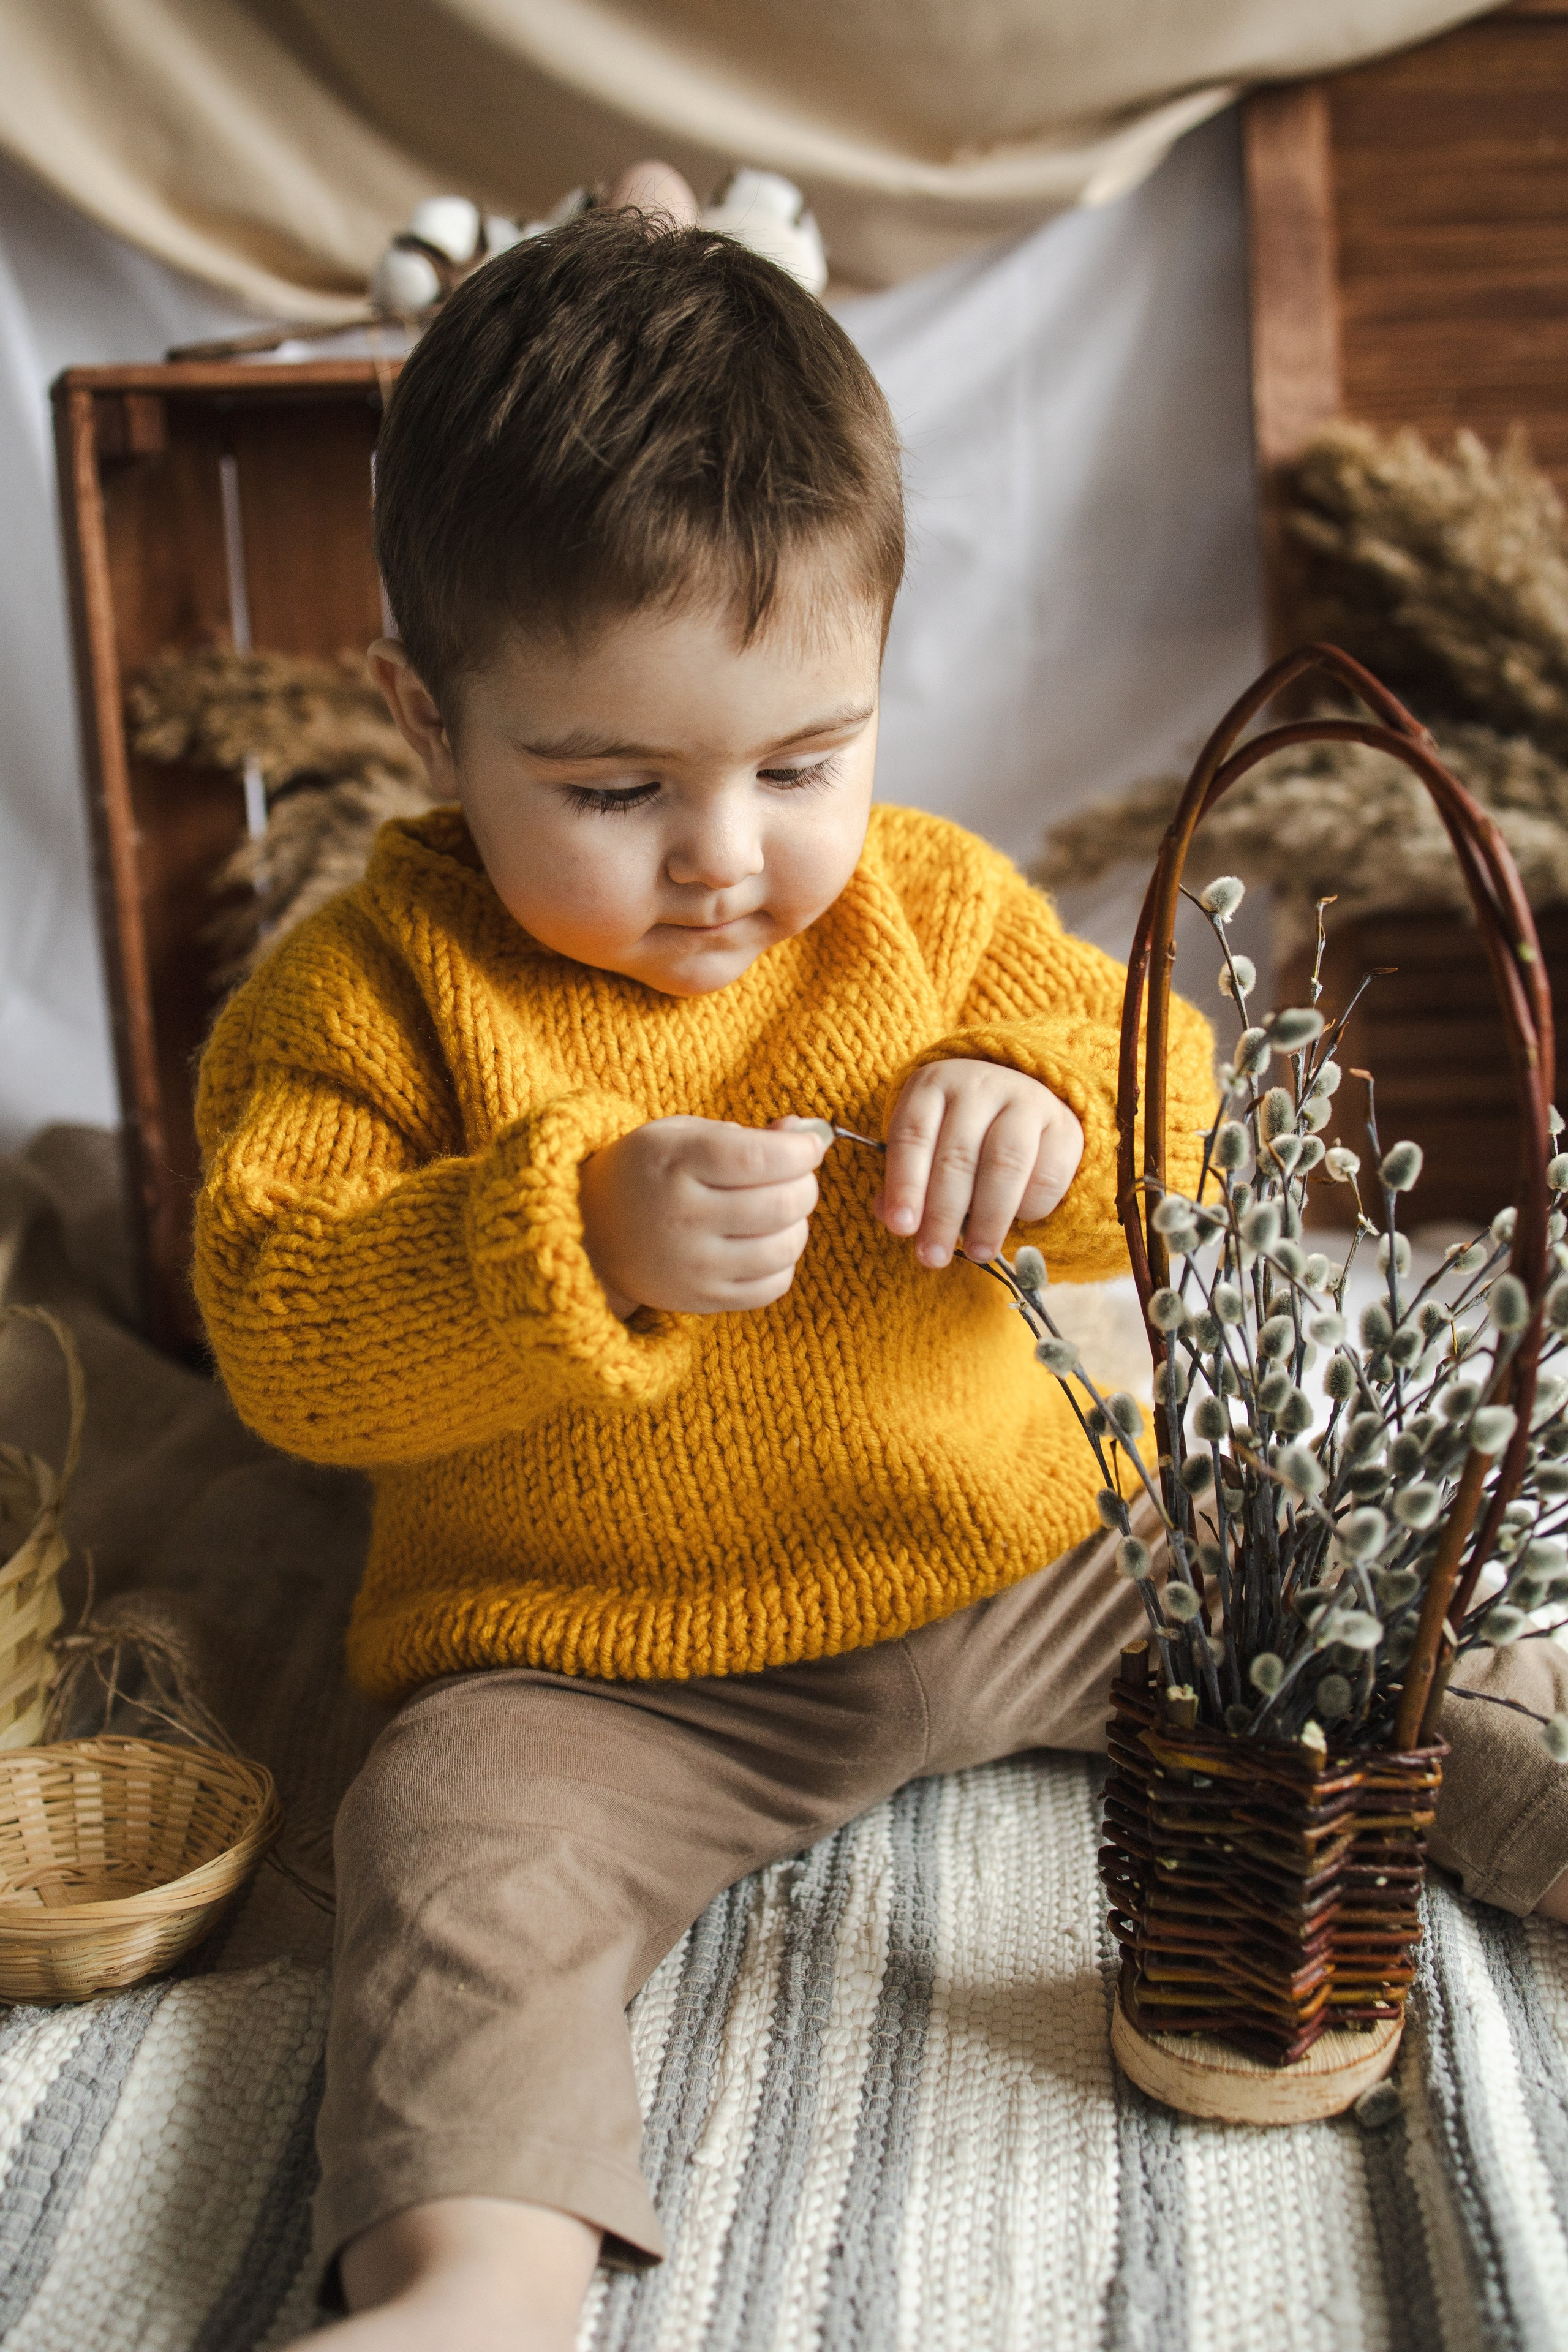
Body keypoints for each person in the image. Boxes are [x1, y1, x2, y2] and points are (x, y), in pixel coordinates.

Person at [192, 172, 1568, 2352]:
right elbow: (280, 1329)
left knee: (1343, 1606)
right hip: (599, 1671)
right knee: (446, 1862)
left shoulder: (923, 909)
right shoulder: (363, 995)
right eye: (617, 782)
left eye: (802, 760)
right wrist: (570, 1227)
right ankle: (471, 2279)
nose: (728, 858)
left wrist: (1053, 1118)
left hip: (1018, 1560)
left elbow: (1180, 1121)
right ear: (426, 720)